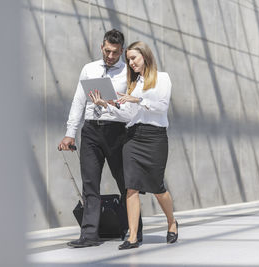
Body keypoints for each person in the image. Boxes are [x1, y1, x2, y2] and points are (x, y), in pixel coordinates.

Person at [89, 41, 178, 250]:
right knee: (131, 187)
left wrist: (137, 100)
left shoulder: (162, 78)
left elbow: (162, 106)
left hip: (155, 137)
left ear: (145, 56)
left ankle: (171, 222)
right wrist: (107, 106)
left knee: (157, 187)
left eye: (133, 58)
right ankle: (133, 236)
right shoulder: (134, 83)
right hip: (133, 138)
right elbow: (127, 115)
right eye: (128, 60)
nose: (130, 63)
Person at [58, 29, 142, 248]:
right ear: (102, 47)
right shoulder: (89, 69)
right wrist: (70, 133)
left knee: (126, 182)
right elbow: (78, 101)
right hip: (91, 131)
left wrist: (113, 105)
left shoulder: (128, 72)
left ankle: (134, 232)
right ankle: (88, 236)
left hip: (118, 131)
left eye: (115, 52)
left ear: (122, 51)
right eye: (107, 51)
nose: (110, 56)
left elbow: (134, 104)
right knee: (90, 183)